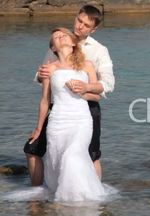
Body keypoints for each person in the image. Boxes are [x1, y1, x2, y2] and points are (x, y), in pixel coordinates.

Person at [24, 4, 115, 186]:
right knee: (33, 149)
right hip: (59, 107)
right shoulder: (59, 40)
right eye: (78, 20)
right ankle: (38, 194)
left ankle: (95, 197)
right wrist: (40, 76)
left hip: (87, 108)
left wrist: (86, 87)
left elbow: (108, 84)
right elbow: (44, 74)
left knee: (91, 155)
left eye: (86, 25)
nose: (80, 26)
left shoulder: (99, 50)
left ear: (93, 29)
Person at [29, 27, 106, 201]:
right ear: (53, 48)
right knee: (59, 160)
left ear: (72, 42)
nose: (61, 37)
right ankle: (63, 198)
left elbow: (97, 96)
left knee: (73, 155)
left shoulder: (87, 65)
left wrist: (83, 90)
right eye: (56, 37)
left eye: (64, 35)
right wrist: (38, 129)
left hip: (81, 119)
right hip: (58, 121)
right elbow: (44, 101)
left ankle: (79, 199)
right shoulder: (49, 68)